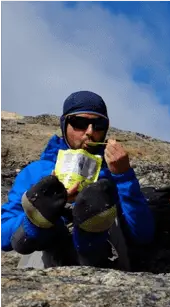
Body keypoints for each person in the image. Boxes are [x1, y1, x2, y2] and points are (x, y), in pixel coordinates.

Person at [0, 91, 154, 270]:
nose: (90, 132)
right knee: (45, 206)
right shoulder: (36, 172)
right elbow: (3, 237)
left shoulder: (114, 172)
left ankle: (89, 240)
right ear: (64, 124)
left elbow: (143, 234)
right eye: (80, 123)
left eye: (98, 125)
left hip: (104, 263)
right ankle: (41, 225)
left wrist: (125, 176)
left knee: (97, 198)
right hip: (44, 262)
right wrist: (41, 213)